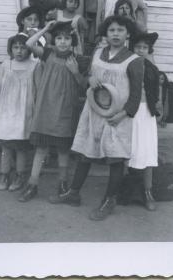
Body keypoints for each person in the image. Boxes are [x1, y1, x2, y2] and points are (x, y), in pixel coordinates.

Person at [49, 16, 144, 221]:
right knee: (86, 152)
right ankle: (73, 193)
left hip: (118, 117)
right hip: (93, 111)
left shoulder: (134, 61)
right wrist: (89, 78)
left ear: (128, 34)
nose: (116, 34)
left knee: (115, 158)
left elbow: (136, 97)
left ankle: (109, 200)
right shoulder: (98, 53)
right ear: (105, 33)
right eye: (111, 30)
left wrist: (122, 115)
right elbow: (88, 82)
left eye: (120, 30)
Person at [18, 21, 87, 202]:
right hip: (46, 108)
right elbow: (28, 44)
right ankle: (32, 185)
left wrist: (75, 72)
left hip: (65, 109)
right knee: (41, 148)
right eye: (59, 38)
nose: (63, 42)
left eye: (66, 38)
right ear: (54, 41)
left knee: (63, 150)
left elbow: (84, 86)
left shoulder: (77, 60)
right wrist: (46, 29)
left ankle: (63, 184)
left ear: (72, 41)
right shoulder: (47, 53)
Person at [0, 34, 37, 192]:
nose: (19, 51)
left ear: (29, 49)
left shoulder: (34, 65)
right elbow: (0, 87)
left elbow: (37, 90)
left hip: (24, 111)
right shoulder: (6, 64)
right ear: (11, 49)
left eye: (23, 47)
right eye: (16, 47)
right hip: (7, 110)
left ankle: (20, 175)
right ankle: (5, 174)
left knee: (21, 146)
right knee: (6, 145)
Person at [128, 31, 160, 211]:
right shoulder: (127, 65)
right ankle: (126, 187)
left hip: (146, 113)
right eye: (138, 47)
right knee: (130, 149)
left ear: (149, 50)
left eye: (144, 47)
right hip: (130, 112)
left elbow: (157, 89)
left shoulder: (152, 68)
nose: (141, 50)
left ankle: (148, 191)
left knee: (147, 150)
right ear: (133, 48)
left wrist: (158, 106)